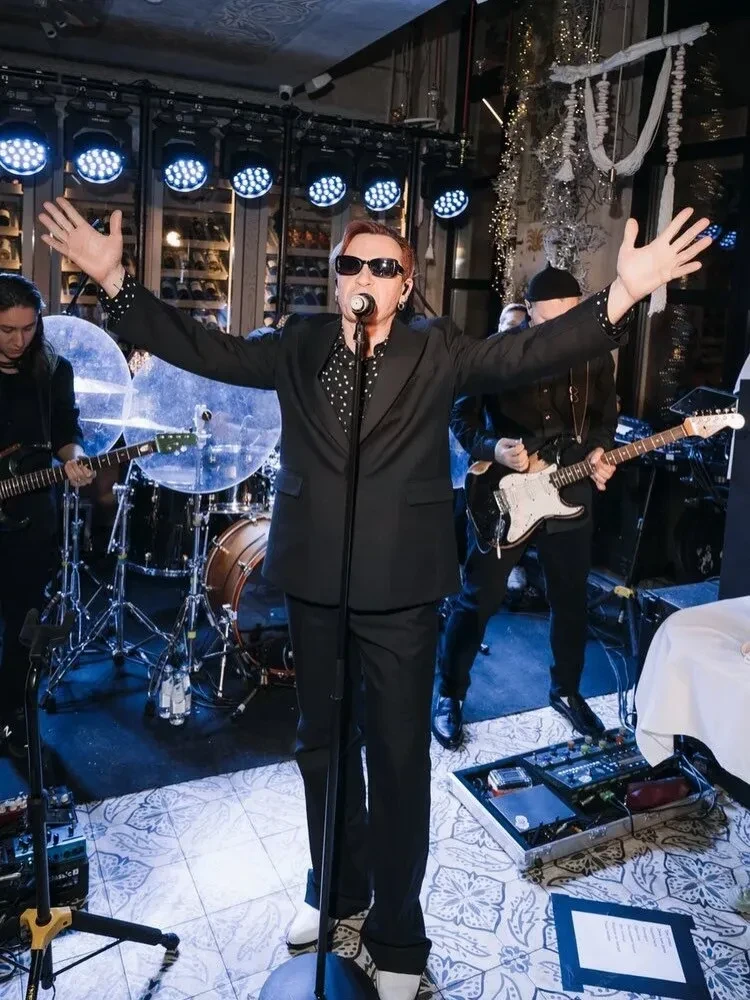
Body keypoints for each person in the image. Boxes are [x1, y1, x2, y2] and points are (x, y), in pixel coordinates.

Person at [38, 197, 710, 1000]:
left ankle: (397, 931)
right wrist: (117, 283)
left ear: (405, 283)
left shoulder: (437, 349)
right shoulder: (301, 343)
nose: (365, 276)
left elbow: (527, 351)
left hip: (402, 591)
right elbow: (206, 349)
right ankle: (335, 891)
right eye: (351, 265)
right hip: (316, 585)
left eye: (382, 266)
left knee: (395, 761)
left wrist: (622, 294)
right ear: (337, 279)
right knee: (321, 750)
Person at [433, 264, 618, 750]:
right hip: (507, 493)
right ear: (529, 312)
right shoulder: (497, 353)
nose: (560, 330)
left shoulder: (595, 357)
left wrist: (600, 451)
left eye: (569, 317)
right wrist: (493, 448)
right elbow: (461, 418)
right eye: (549, 320)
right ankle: (449, 694)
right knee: (479, 597)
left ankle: (567, 690)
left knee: (570, 598)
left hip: (570, 487)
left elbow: (605, 419)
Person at [0, 273, 94, 757]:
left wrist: (74, 459)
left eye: (28, 328)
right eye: (6, 330)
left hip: (31, 516)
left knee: (24, 624)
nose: (19, 341)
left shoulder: (54, 369)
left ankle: (13, 717)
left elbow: (65, 430)